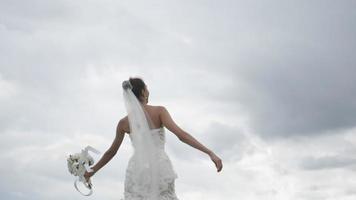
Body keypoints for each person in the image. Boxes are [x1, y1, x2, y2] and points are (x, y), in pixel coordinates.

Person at [84, 77, 223, 199]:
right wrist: (209, 152)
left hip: (137, 170)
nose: (148, 91)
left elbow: (111, 152)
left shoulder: (124, 123)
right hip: (160, 166)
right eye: (147, 88)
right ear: (143, 92)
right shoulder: (159, 111)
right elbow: (182, 135)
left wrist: (91, 171)